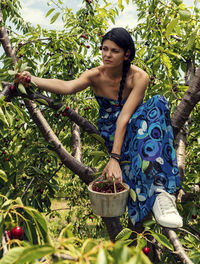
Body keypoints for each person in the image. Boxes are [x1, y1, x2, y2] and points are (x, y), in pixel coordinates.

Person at [15, 27, 183, 228]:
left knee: (158, 102)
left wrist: (114, 158)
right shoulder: (95, 75)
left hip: (137, 129)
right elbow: (67, 86)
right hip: (113, 132)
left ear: (127, 54)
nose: (107, 55)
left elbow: (125, 117)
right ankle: (155, 196)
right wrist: (32, 79)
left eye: (114, 50)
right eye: (104, 49)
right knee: (139, 152)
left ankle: (161, 195)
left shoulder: (139, 77)